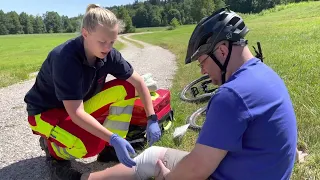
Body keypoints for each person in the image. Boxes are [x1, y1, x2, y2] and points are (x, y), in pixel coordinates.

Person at [79, 7, 298, 180]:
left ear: (222, 50)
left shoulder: (232, 96)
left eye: (202, 61)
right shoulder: (266, 74)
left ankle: (84, 178)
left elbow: (196, 171)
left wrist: (169, 177)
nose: (202, 71)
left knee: (151, 160)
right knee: (154, 158)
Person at [24, 4, 162, 180]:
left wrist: (152, 118)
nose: (107, 47)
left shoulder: (108, 53)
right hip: (45, 113)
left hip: (75, 106)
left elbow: (138, 82)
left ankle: (110, 150)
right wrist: (111, 137)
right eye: (102, 41)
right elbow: (76, 113)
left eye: (112, 42)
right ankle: (54, 154)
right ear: (85, 33)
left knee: (126, 88)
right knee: (89, 145)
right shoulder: (65, 59)